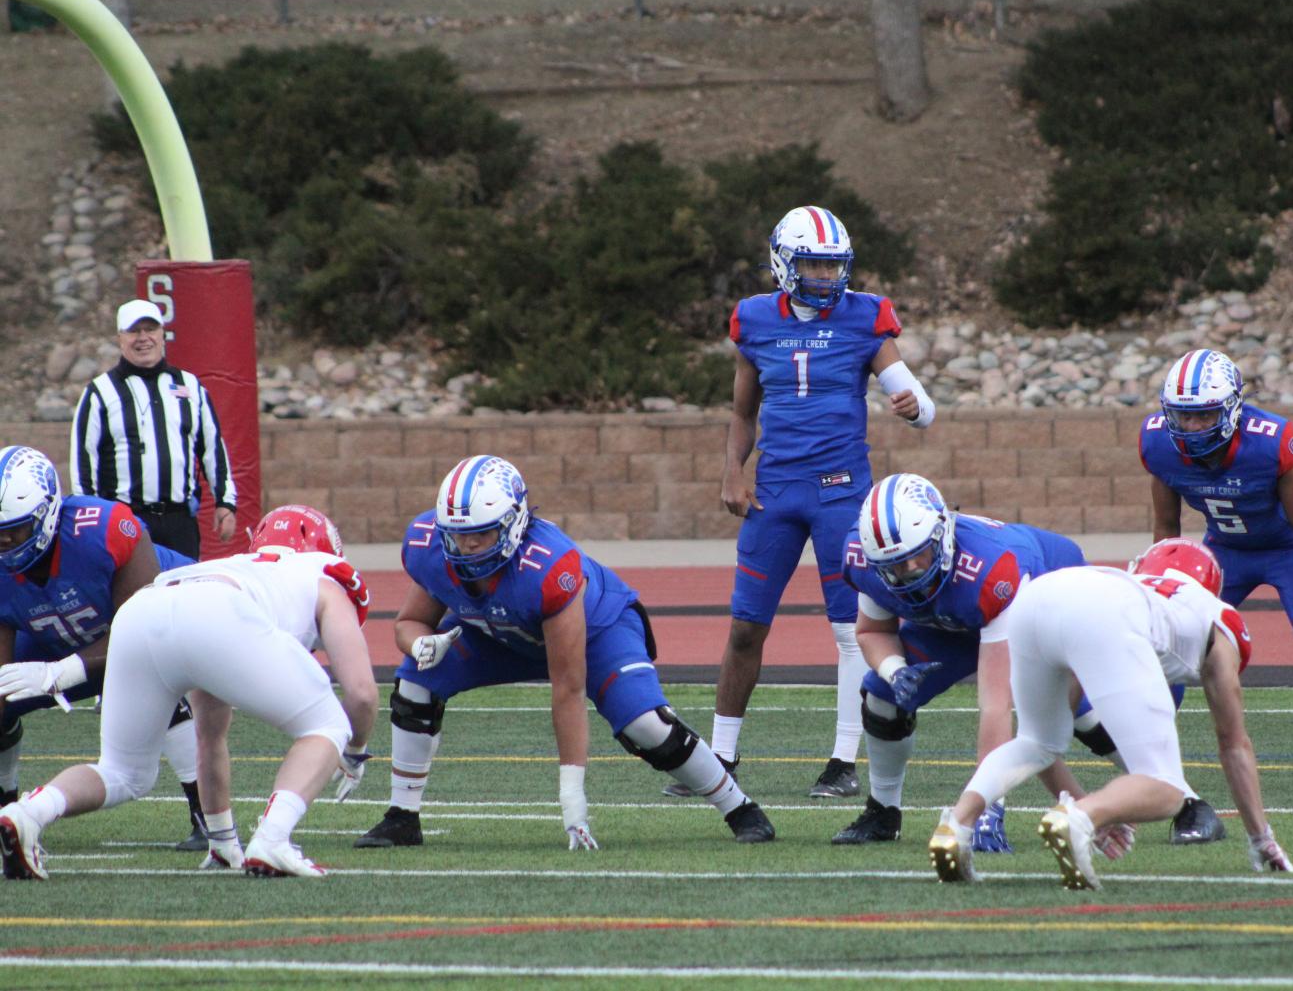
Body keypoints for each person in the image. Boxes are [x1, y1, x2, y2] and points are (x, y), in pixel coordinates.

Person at [355, 455, 775, 850]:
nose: (466, 547)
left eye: (479, 533)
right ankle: (402, 816)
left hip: (597, 631)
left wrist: (571, 792)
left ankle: (739, 807)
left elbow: (568, 688)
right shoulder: (428, 544)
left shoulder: (549, 566)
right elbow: (410, 622)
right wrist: (420, 644)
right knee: (415, 682)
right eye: (457, 535)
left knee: (646, 726)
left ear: (514, 522)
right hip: (500, 634)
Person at [666, 205, 936, 803]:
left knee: (850, 630)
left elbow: (915, 399)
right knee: (744, 626)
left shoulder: (866, 316)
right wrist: (732, 471)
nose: (824, 275)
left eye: (832, 264)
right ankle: (722, 758)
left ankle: (842, 762)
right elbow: (743, 412)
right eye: (812, 263)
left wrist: (915, 408)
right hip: (777, 492)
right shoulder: (755, 319)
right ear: (783, 264)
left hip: (842, 491)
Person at [0, 504, 377, 880]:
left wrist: (223, 842)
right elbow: (360, 694)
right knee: (327, 726)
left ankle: (28, 813)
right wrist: (355, 751)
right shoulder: (323, 574)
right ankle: (273, 839)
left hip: (144, 609)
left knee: (123, 772)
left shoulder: (235, 566)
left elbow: (209, 735)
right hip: (217, 613)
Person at [927, 539, 1293, 889]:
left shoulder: (1129, 582)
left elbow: (1049, 742)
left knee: (1035, 740)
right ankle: (1080, 819)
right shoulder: (1217, 617)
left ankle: (957, 824)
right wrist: (1261, 836)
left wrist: (1079, 802)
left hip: (1038, 596)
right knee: (1167, 788)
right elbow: (1233, 743)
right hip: (1105, 614)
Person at [1140, 348, 1293, 797]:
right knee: (1168, 639)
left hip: (1287, 549)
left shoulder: (1271, 441)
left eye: (1202, 416)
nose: (1189, 428)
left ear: (1230, 409)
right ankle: (1152, 760)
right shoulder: (1157, 445)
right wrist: (1159, 590)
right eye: (1182, 416)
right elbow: (1167, 529)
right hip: (1225, 551)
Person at [831, 472, 1086, 851]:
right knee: (882, 696)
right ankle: (883, 812)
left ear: (942, 534)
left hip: (1040, 600)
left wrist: (987, 806)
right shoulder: (865, 558)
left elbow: (996, 705)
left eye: (917, 556)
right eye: (895, 567)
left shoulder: (992, 568)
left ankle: (1182, 800)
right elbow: (872, 632)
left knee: (1088, 719)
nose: (909, 573)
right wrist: (895, 670)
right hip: (954, 616)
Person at [0, 445, 208, 851]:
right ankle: (6, 804)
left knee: (156, 673)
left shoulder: (103, 529)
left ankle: (206, 811)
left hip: (159, 624)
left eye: (15, 529)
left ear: (46, 517)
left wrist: (59, 673)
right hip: (62, 634)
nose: (4, 542)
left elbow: (140, 632)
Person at [70, 297, 237, 560]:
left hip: (179, 518)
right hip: (126, 518)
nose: (143, 338)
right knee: (133, 594)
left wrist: (225, 503)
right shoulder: (100, 392)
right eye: (134, 331)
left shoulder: (190, 386)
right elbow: (84, 460)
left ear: (162, 335)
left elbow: (212, 448)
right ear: (120, 338)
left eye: (150, 329)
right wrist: (91, 518)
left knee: (184, 593)